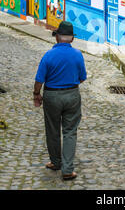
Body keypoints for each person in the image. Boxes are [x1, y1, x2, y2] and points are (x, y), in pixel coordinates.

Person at [33, 21, 87, 181]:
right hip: (72, 95)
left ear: (57, 38)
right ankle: (68, 170)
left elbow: (39, 79)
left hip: (52, 96)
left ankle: (56, 162)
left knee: (52, 130)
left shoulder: (48, 55)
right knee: (70, 131)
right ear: (72, 39)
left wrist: (36, 94)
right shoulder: (77, 55)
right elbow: (82, 78)